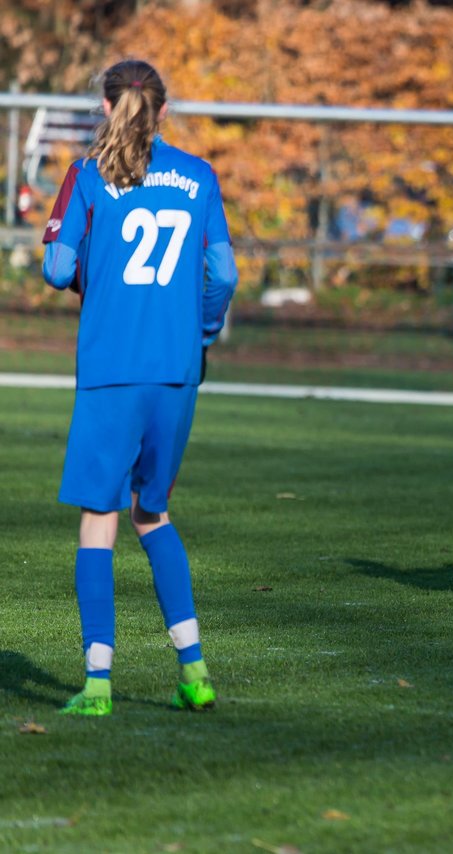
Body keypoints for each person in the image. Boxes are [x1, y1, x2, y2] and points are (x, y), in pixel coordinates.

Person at [42, 60, 239, 714]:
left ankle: (98, 681)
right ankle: (195, 672)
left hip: (110, 367)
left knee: (99, 519)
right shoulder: (200, 175)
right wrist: (203, 330)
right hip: (177, 370)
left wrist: (92, 278)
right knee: (152, 513)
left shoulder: (85, 174)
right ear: (161, 107)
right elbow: (224, 273)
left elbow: (56, 265)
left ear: (105, 105)